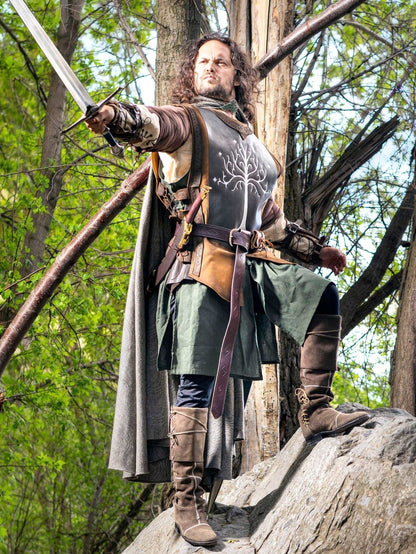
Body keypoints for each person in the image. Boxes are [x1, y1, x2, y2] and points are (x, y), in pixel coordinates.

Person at [87, 34, 369, 548]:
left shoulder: (257, 150)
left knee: (321, 299)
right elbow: (150, 124)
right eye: (203, 62)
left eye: (221, 61)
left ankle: (315, 409)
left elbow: (271, 221)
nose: (211, 67)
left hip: (252, 261)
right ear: (192, 73)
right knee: (195, 384)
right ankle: (186, 500)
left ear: (237, 74)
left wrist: (315, 250)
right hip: (199, 267)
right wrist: (117, 118)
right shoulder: (186, 122)